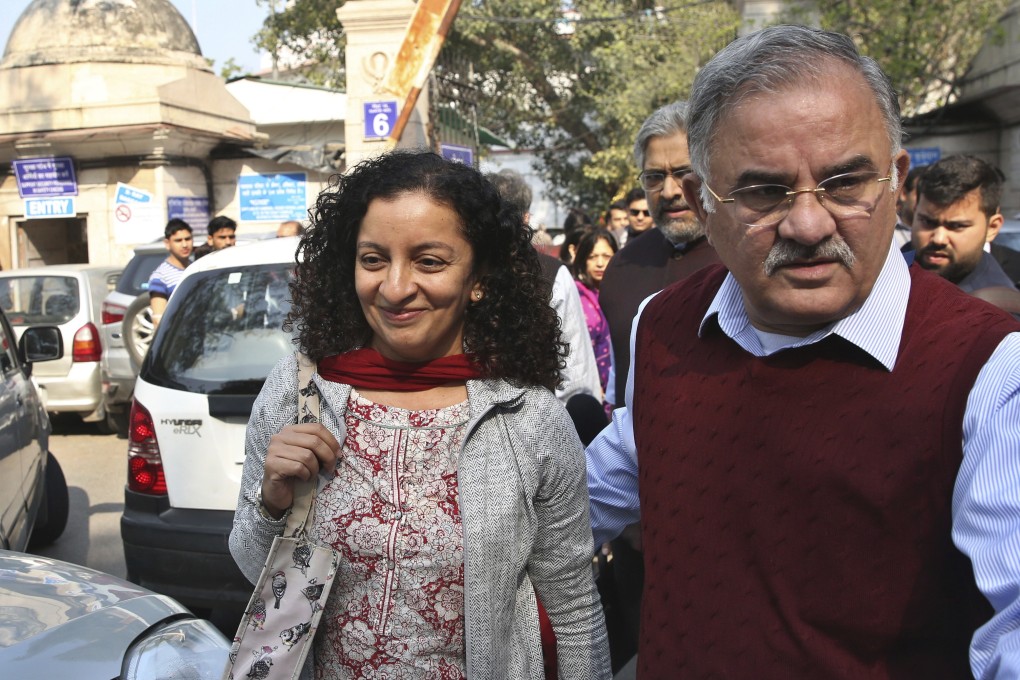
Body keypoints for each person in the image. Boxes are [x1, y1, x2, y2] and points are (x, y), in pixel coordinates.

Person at [588, 25, 1020, 678]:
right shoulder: (666, 326)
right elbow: (600, 484)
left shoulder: (988, 372)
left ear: (897, 182)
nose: (810, 224)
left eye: (845, 183)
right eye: (764, 192)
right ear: (704, 202)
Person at [229, 151, 610, 680]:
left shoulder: (529, 418)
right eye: (373, 259)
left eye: (429, 261)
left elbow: (572, 607)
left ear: (478, 278)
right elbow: (255, 572)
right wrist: (271, 500)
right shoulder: (299, 391)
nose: (394, 288)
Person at [485, 169, 603, 406]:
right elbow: (576, 370)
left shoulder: (551, 274)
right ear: (526, 217)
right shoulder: (464, 268)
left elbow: (574, 375)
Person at [910, 155, 1016, 292]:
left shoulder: (998, 309)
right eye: (927, 222)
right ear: (914, 214)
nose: (938, 239)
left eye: (957, 226)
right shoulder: (884, 269)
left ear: (992, 228)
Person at [569, 229, 617, 407]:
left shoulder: (622, 295)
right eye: (592, 257)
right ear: (582, 260)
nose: (599, 263)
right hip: (587, 388)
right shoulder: (576, 295)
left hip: (616, 387)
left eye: (606, 256)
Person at [147, 218, 193, 328]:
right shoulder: (160, 277)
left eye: (188, 239)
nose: (184, 245)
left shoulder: (196, 268)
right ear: (167, 244)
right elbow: (158, 320)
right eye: (178, 240)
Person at [893, 165, 925, 248]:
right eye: (919, 194)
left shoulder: (940, 235)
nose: (924, 201)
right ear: (904, 194)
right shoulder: (885, 231)